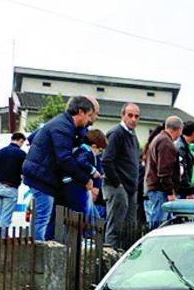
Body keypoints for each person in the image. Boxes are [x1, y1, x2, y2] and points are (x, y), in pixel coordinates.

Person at [22, 95, 97, 241]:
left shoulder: (63, 124)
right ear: (80, 112)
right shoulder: (63, 127)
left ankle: (35, 251)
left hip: (41, 175)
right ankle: (37, 256)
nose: (89, 120)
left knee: (41, 218)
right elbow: (64, 158)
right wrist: (85, 179)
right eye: (89, 116)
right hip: (42, 178)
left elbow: (32, 138)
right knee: (42, 219)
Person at [102, 103, 141, 250]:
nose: (133, 119)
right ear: (122, 115)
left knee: (129, 229)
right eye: (130, 115)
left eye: (136, 116)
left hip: (130, 187)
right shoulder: (116, 133)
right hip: (117, 186)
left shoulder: (133, 135)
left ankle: (124, 259)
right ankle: (111, 259)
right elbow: (106, 160)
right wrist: (117, 183)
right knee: (116, 227)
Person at [145, 116, 182, 229]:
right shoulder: (166, 143)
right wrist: (170, 191)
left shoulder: (158, 139)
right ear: (179, 129)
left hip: (155, 187)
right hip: (160, 189)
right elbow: (164, 171)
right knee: (160, 225)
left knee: (157, 221)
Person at [62, 128, 106, 221]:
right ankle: (77, 231)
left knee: (81, 208)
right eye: (100, 150)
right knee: (79, 209)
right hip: (74, 184)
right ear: (94, 146)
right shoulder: (85, 151)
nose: (99, 154)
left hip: (75, 183)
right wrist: (93, 171)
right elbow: (81, 161)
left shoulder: (82, 150)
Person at [0, 133, 27, 234]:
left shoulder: (0, 152)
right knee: (6, 217)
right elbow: (24, 171)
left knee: (0, 215)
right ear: (20, 141)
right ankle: (1, 240)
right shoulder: (21, 154)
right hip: (11, 187)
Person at [176, 121, 194, 199]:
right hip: (181, 191)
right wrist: (188, 191)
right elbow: (183, 170)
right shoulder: (181, 148)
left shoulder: (185, 146)